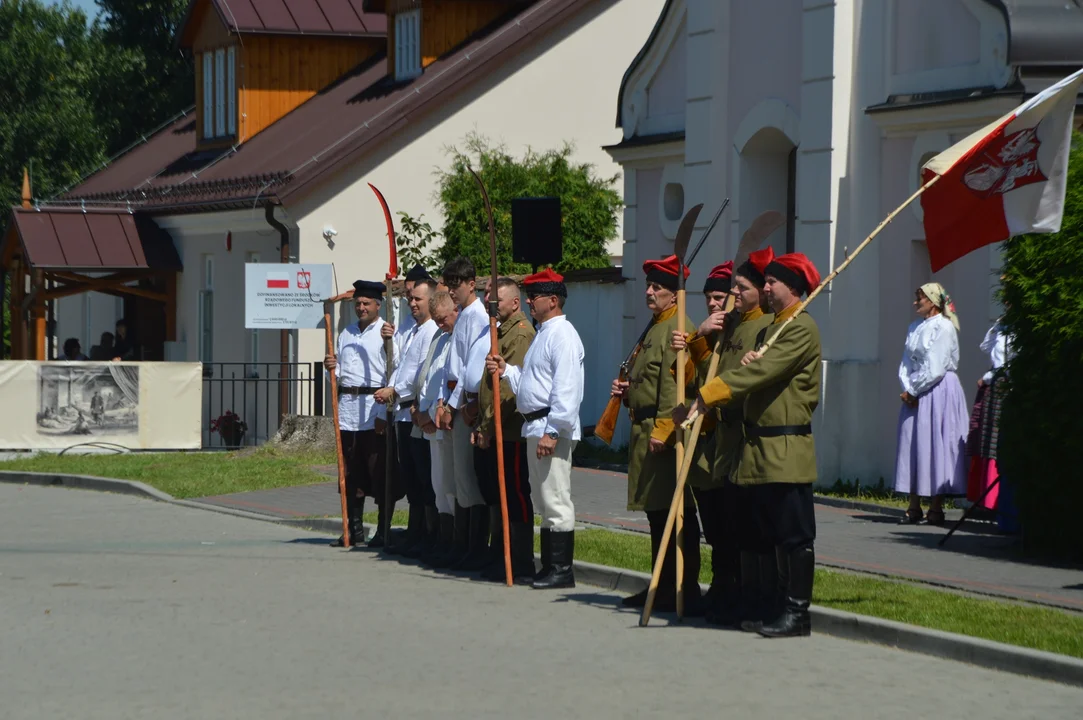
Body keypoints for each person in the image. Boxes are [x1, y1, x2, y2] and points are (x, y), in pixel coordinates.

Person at [679, 252, 823, 638]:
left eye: (772, 281)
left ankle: (796, 612)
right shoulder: (770, 329)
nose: (767, 285)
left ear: (792, 287)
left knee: (794, 536)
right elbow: (756, 368)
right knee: (765, 534)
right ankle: (768, 604)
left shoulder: (800, 327)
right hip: (756, 448)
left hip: (785, 447)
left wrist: (711, 392)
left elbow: (764, 372)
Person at [670, 247, 776, 627]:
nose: (720, 300)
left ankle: (740, 591)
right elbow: (683, 376)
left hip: (738, 435)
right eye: (714, 295)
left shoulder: (761, 325)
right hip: (713, 437)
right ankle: (724, 586)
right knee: (718, 524)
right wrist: (697, 339)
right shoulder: (725, 326)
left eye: (731, 291)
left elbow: (739, 379)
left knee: (738, 526)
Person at [611, 255, 704, 614]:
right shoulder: (655, 326)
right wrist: (627, 391)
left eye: (658, 288)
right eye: (649, 286)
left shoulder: (677, 329)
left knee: (674, 514)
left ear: (675, 295)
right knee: (656, 514)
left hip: (663, 433)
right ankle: (660, 585)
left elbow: (676, 387)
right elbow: (648, 380)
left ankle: (683, 588)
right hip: (644, 429)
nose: (649, 292)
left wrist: (666, 428)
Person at [487, 269, 584, 590]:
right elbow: (534, 382)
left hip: (549, 426)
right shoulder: (544, 332)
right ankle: (549, 566)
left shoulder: (563, 335)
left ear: (553, 300)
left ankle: (561, 569)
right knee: (542, 500)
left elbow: (566, 388)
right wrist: (508, 372)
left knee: (556, 499)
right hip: (535, 425)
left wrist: (554, 431)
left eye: (535, 297)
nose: (530, 301)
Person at [324, 280, 403, 548]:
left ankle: (383, 530)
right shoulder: (345, 333)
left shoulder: (386, 333)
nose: (361, 308)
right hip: (348, 411)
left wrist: (384, 411)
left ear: (377, 305)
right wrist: (330, 368)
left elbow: (394, 370)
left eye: (366, 303)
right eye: (357, 303)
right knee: (350, 474)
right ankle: (353, 528)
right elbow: (340, 375)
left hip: (373, 410)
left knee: (379, 473)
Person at [473, 277, 536, 583]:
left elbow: (510, 390)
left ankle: (520, 559)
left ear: (515, 302)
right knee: (499, 495)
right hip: (495, 427)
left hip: (509, 429)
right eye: (488, 298)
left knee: (515, 495)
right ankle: (501, 553)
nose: (489, 303)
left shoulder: (520, 335)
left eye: (496, 299)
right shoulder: (501, 331)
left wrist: (488, 424)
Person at [894, 283, 969, 526]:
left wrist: (914, 390)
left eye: (920, 298)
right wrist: (907, 387)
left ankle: (935, 507)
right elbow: (906, 361)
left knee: (936, 443)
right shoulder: (914, 327)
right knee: (913, 443)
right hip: (916, 390)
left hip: (937, 390)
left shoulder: (944, 327)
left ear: (933, 302)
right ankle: (914, 505)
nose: (916, 303)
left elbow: (936, 366)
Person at [376, 276, 439, 555]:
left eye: (418, 299)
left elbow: (418, 375)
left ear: (431, 301)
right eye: (411, 299)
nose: (412, 303)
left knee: (425, 477)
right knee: (411, 478)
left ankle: (428, 534)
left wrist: (394, 390)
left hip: (415, 409)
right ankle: (414, 533)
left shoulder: (431, 331)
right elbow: (399, 364)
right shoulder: (412, 330)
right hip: (401, 413)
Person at [434, 256, 490, 569]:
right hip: (454, 399)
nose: (453, 291)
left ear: (472, 283)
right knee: (455, 479)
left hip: (467, 404)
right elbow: (449, 367)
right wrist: (443, 402)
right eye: (450, 285)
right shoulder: (466, 315)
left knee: (467, 478)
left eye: (457, 285)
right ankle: (461, 542)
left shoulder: (478, 316)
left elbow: (472, 367)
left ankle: (474, 546)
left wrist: (454, 405)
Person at [416, 291, 459, 565]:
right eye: (437, 320)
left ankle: (454, 543)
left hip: (446, 424)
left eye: (443, 319)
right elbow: (429, 376)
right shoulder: (442, 337)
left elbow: (449, 382)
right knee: (438, 485)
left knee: (451, 486)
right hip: (430, 421)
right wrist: (421, 412)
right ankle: (443, 541)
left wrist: (431, 414)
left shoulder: (458, 338)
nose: (440, 324)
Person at [966, 317, 1014, 512]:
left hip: (1004, 384)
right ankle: (986, 497)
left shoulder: (1020, 327)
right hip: (996, 383)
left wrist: (988, 377)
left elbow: (1008, 362)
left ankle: (996, 500)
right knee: (987, 441)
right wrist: (998, 325)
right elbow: (986, 347)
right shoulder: (1004, 325)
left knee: (997, 442)